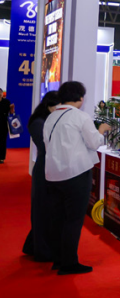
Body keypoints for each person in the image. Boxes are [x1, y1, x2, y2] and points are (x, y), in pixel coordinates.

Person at [44, 81, 111, 275]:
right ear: (80, 98)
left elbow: (47, 144)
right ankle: (69, 263)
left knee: (58, 218)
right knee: (73, 219)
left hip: (53, 174)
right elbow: (94, 143)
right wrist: (101, 130)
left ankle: (58, 259)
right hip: (76, 173)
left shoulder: (51, 117)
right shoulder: (80, 117)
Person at [22, 91, 61, 262]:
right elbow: (45, 146)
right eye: (57, 106)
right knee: (41, 210)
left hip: (51, 168)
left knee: (48, 210)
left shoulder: (49, 120)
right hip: (43, 170)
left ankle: (34, 245)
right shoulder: (38, 122)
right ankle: (41, 250)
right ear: (49, 105)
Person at [0, 88, 11, 163]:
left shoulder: (6, 102)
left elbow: (10, 113)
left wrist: (12, 110)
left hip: (3, 124)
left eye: (0, 92)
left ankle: (1, 157)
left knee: (2, 141)